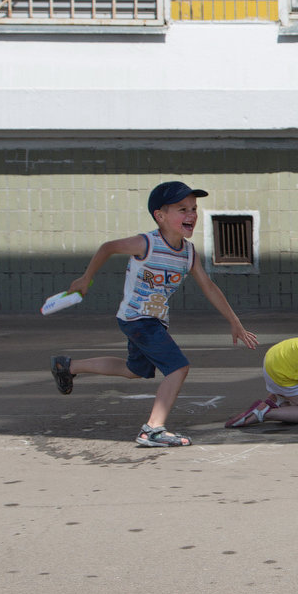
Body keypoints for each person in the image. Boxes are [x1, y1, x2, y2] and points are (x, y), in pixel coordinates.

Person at [50, 181, 259, 447]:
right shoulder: (146, 243)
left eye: (194, 208)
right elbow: (108, 247)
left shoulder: (188, 253)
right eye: (182, 209)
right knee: (178, 367)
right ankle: (153, 429)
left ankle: (67, 366)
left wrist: (235, 322)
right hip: (138, 319)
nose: (191, 214)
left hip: (150, 321)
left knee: (133, 370)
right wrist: (85, 278)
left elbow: (208, 286)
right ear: (160, 216)